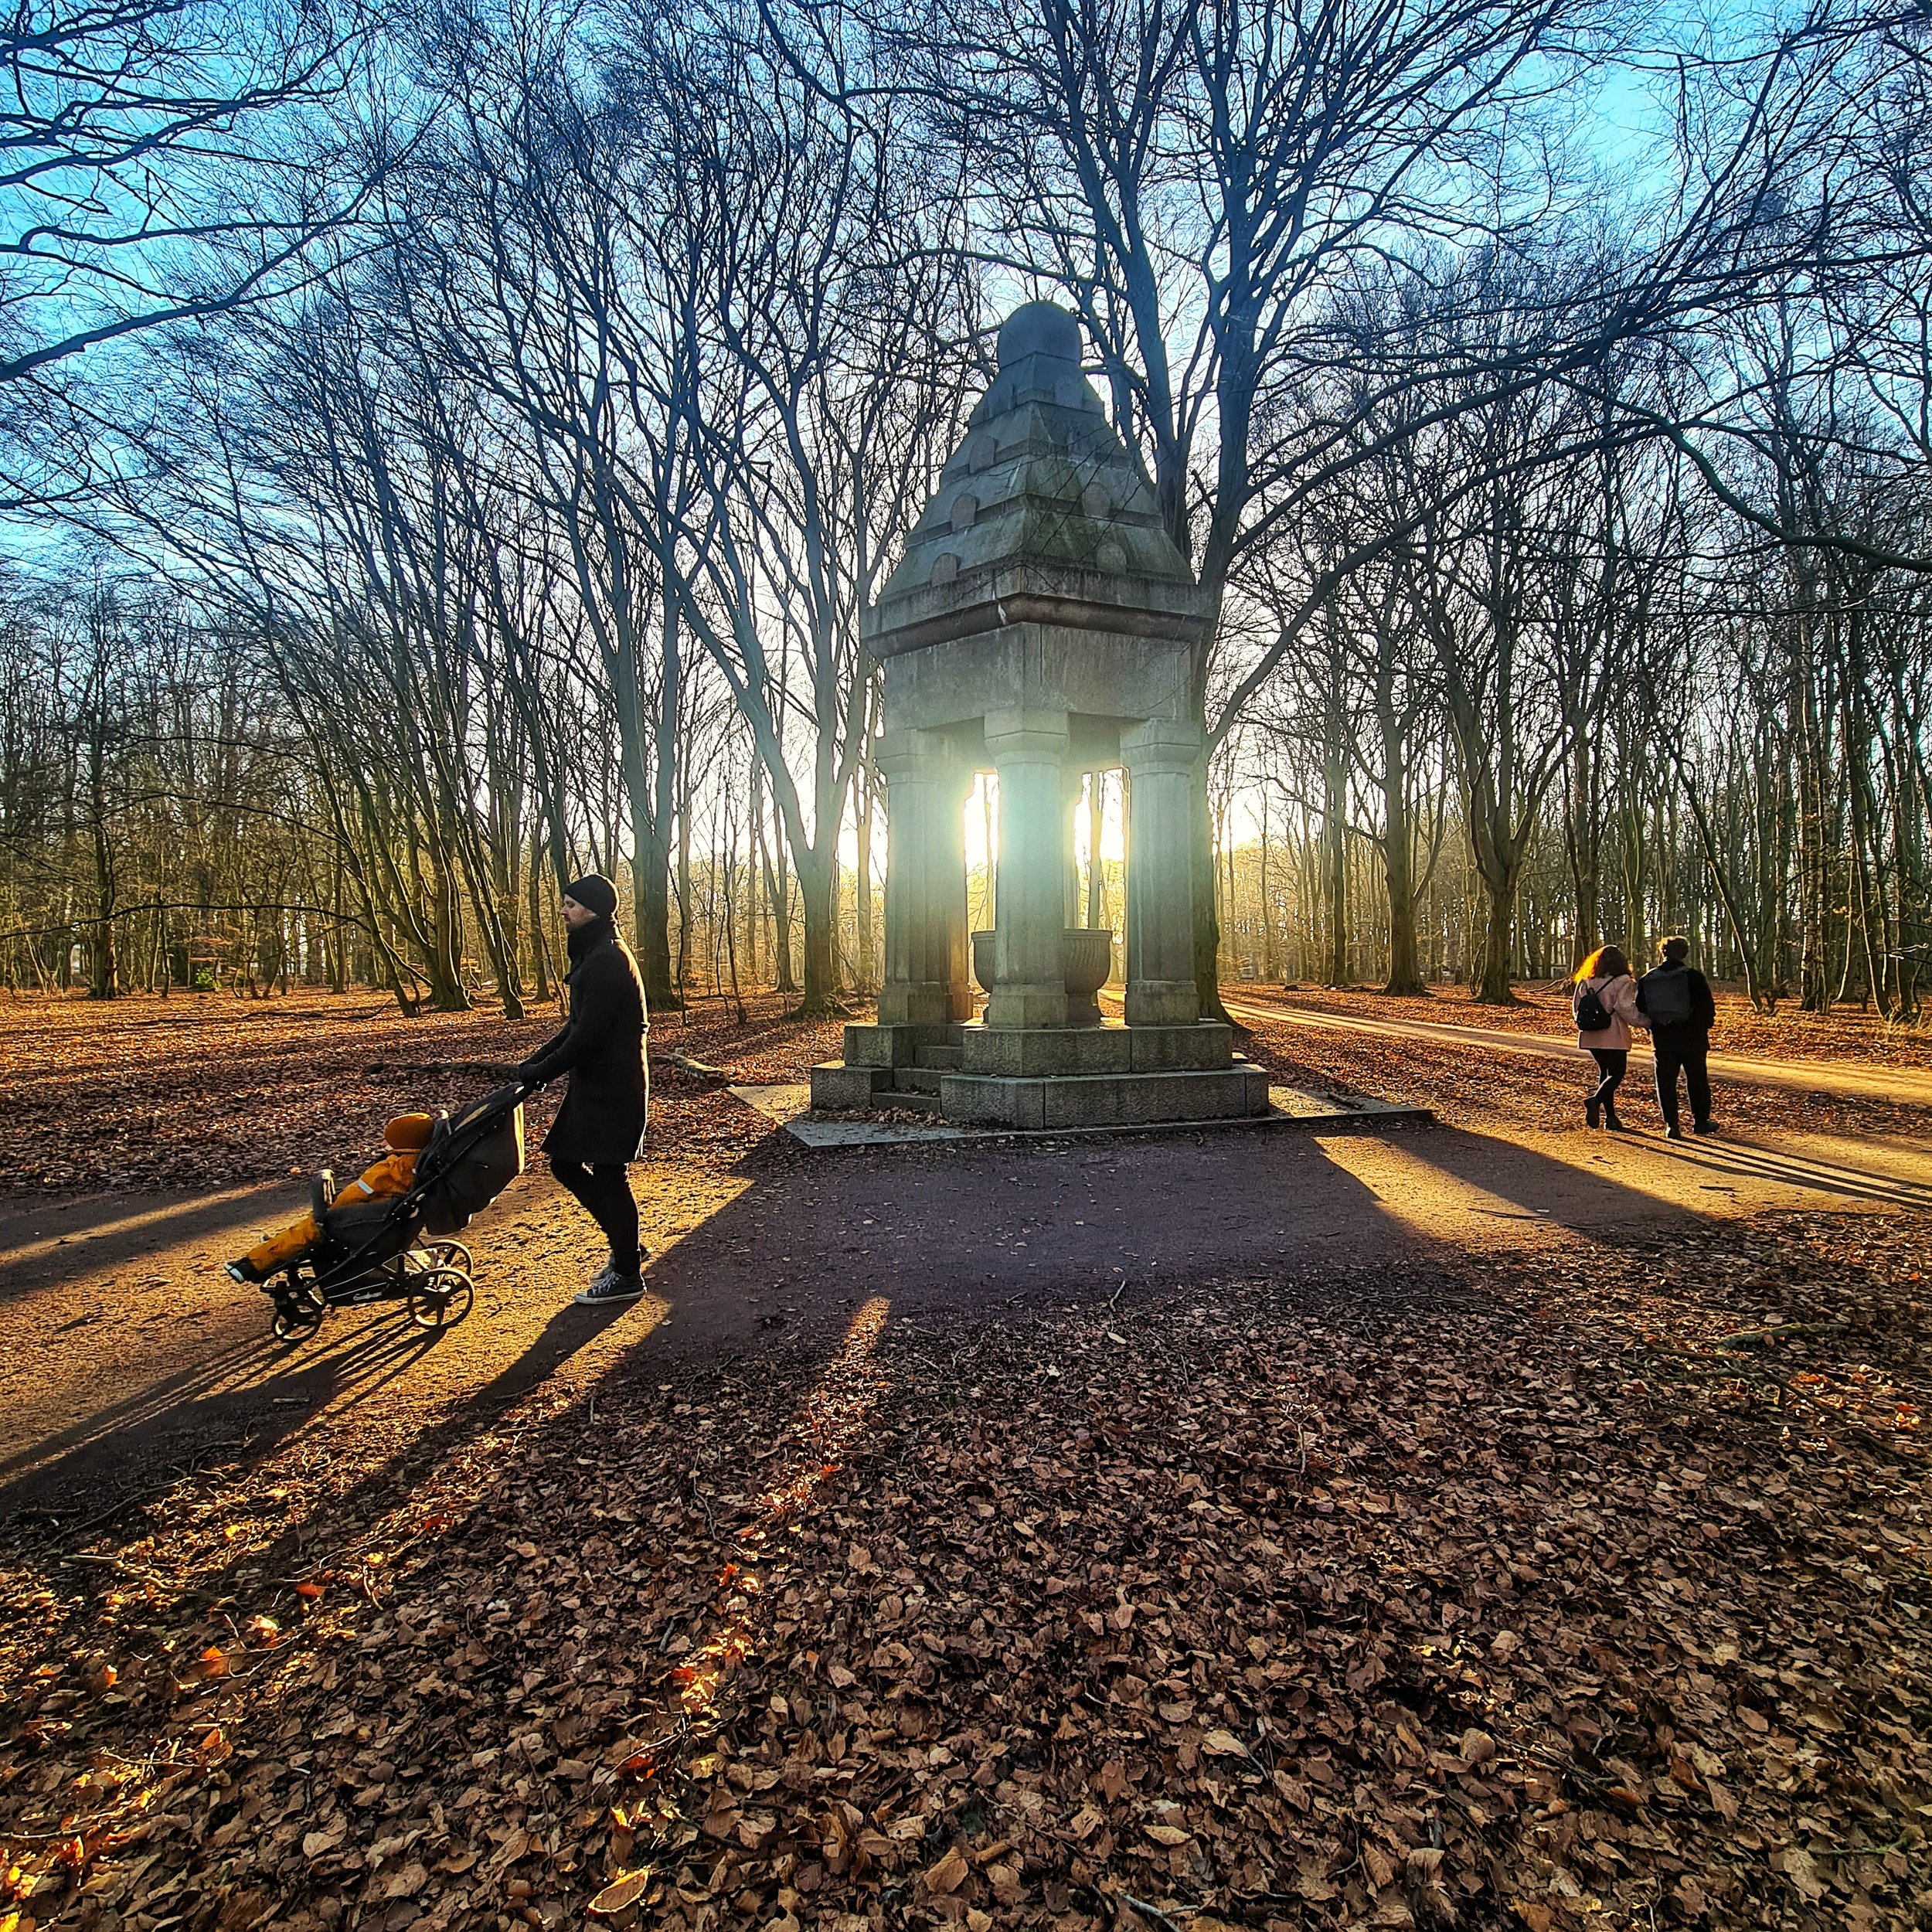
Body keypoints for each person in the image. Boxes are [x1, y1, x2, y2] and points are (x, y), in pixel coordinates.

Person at [516, 873, 651, 1305]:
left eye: (571, 906)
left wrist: (543, 1071)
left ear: (592, 911)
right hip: (597, 1082)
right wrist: (536, 1062)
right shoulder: (595, 953)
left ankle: (628, 1271)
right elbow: (575, 1026)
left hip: (614, 1085)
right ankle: (626, 1247)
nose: (564, 912)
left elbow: (588, 1036)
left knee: (608, 1174)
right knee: (567, 1164)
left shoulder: (609, 959)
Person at [227, 1112, 434, 1282]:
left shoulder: (387, 1170)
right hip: (387, 1214)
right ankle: (274, 1247)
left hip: (363, 1219)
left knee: (310, 1229)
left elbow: (354, 1195)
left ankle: (252, 1263)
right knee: (303, 1231)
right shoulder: (418, 1164)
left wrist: (333, 1209)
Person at [1638, 935, 1717, 1141]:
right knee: (1697, 1080)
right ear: (1684, 954)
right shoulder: (1694, 976)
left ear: (1662, 953)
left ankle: (1671, 1125)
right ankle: (1700, 1122)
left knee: (1665, 1082)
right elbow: (1706, 1007)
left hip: (1662, 1038)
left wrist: (1658, 1023)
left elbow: (1641, 1007)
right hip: (1692, 1037)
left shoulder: (1648, 978)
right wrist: (1704, 1026)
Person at [1571, 944, 1647, 1131]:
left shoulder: (1586, 981)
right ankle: (1595, 1101)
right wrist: (1645, 1023)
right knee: (1616, 1073)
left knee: (1605, 1073)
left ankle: (1611, 1118)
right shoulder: (1623, 981)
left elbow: (1576, 1008)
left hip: (1590, 1034)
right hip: (1613, 1033)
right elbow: (1626, 1008)